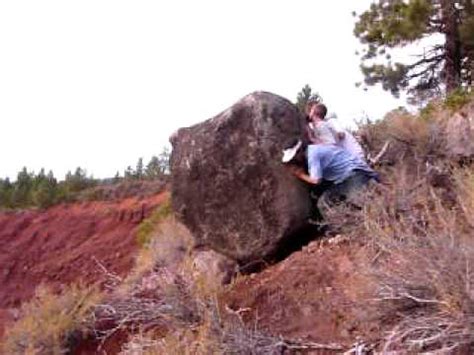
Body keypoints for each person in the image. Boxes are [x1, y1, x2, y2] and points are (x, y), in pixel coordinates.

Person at [282, 138, 378, 224]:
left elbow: (316, 180)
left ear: (299, 152)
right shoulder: (314, 149)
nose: (294, 160)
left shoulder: (313, 155)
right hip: (351, 174)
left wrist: (300, 174)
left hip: (355, 174)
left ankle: (351, 226)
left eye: (294, 157)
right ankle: (355, 223)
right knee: (330, 198)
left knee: (325, 203)